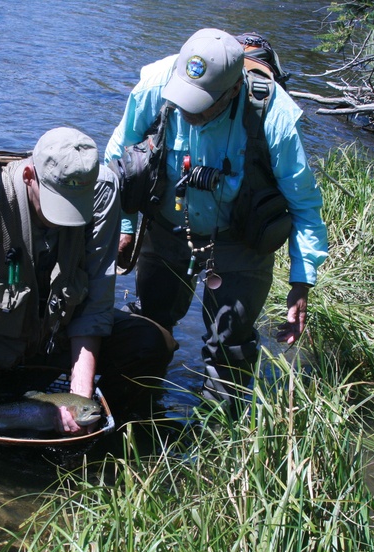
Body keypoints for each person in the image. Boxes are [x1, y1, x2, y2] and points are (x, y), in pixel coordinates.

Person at [105, 28, 328, 407]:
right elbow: (117, 159)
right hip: (166, 228)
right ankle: (137, 418)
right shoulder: (156, 85)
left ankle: (217, 441)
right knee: (149, 328)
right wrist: (125, 226)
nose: (188, 110)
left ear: (233, 91)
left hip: (240, 241)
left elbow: (304, 204)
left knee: (229, 347)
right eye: (183, 100)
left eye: (201, 104)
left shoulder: (274, 115)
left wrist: (301, 281)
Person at [0, 127, 174, 434]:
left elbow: (97, 302)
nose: (63, 219)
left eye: (75, 207)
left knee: (151, 342)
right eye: (56, 205)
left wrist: (79, 397)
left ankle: (107, 441)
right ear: (29, 177)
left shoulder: (101, 192)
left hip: (56, 343)